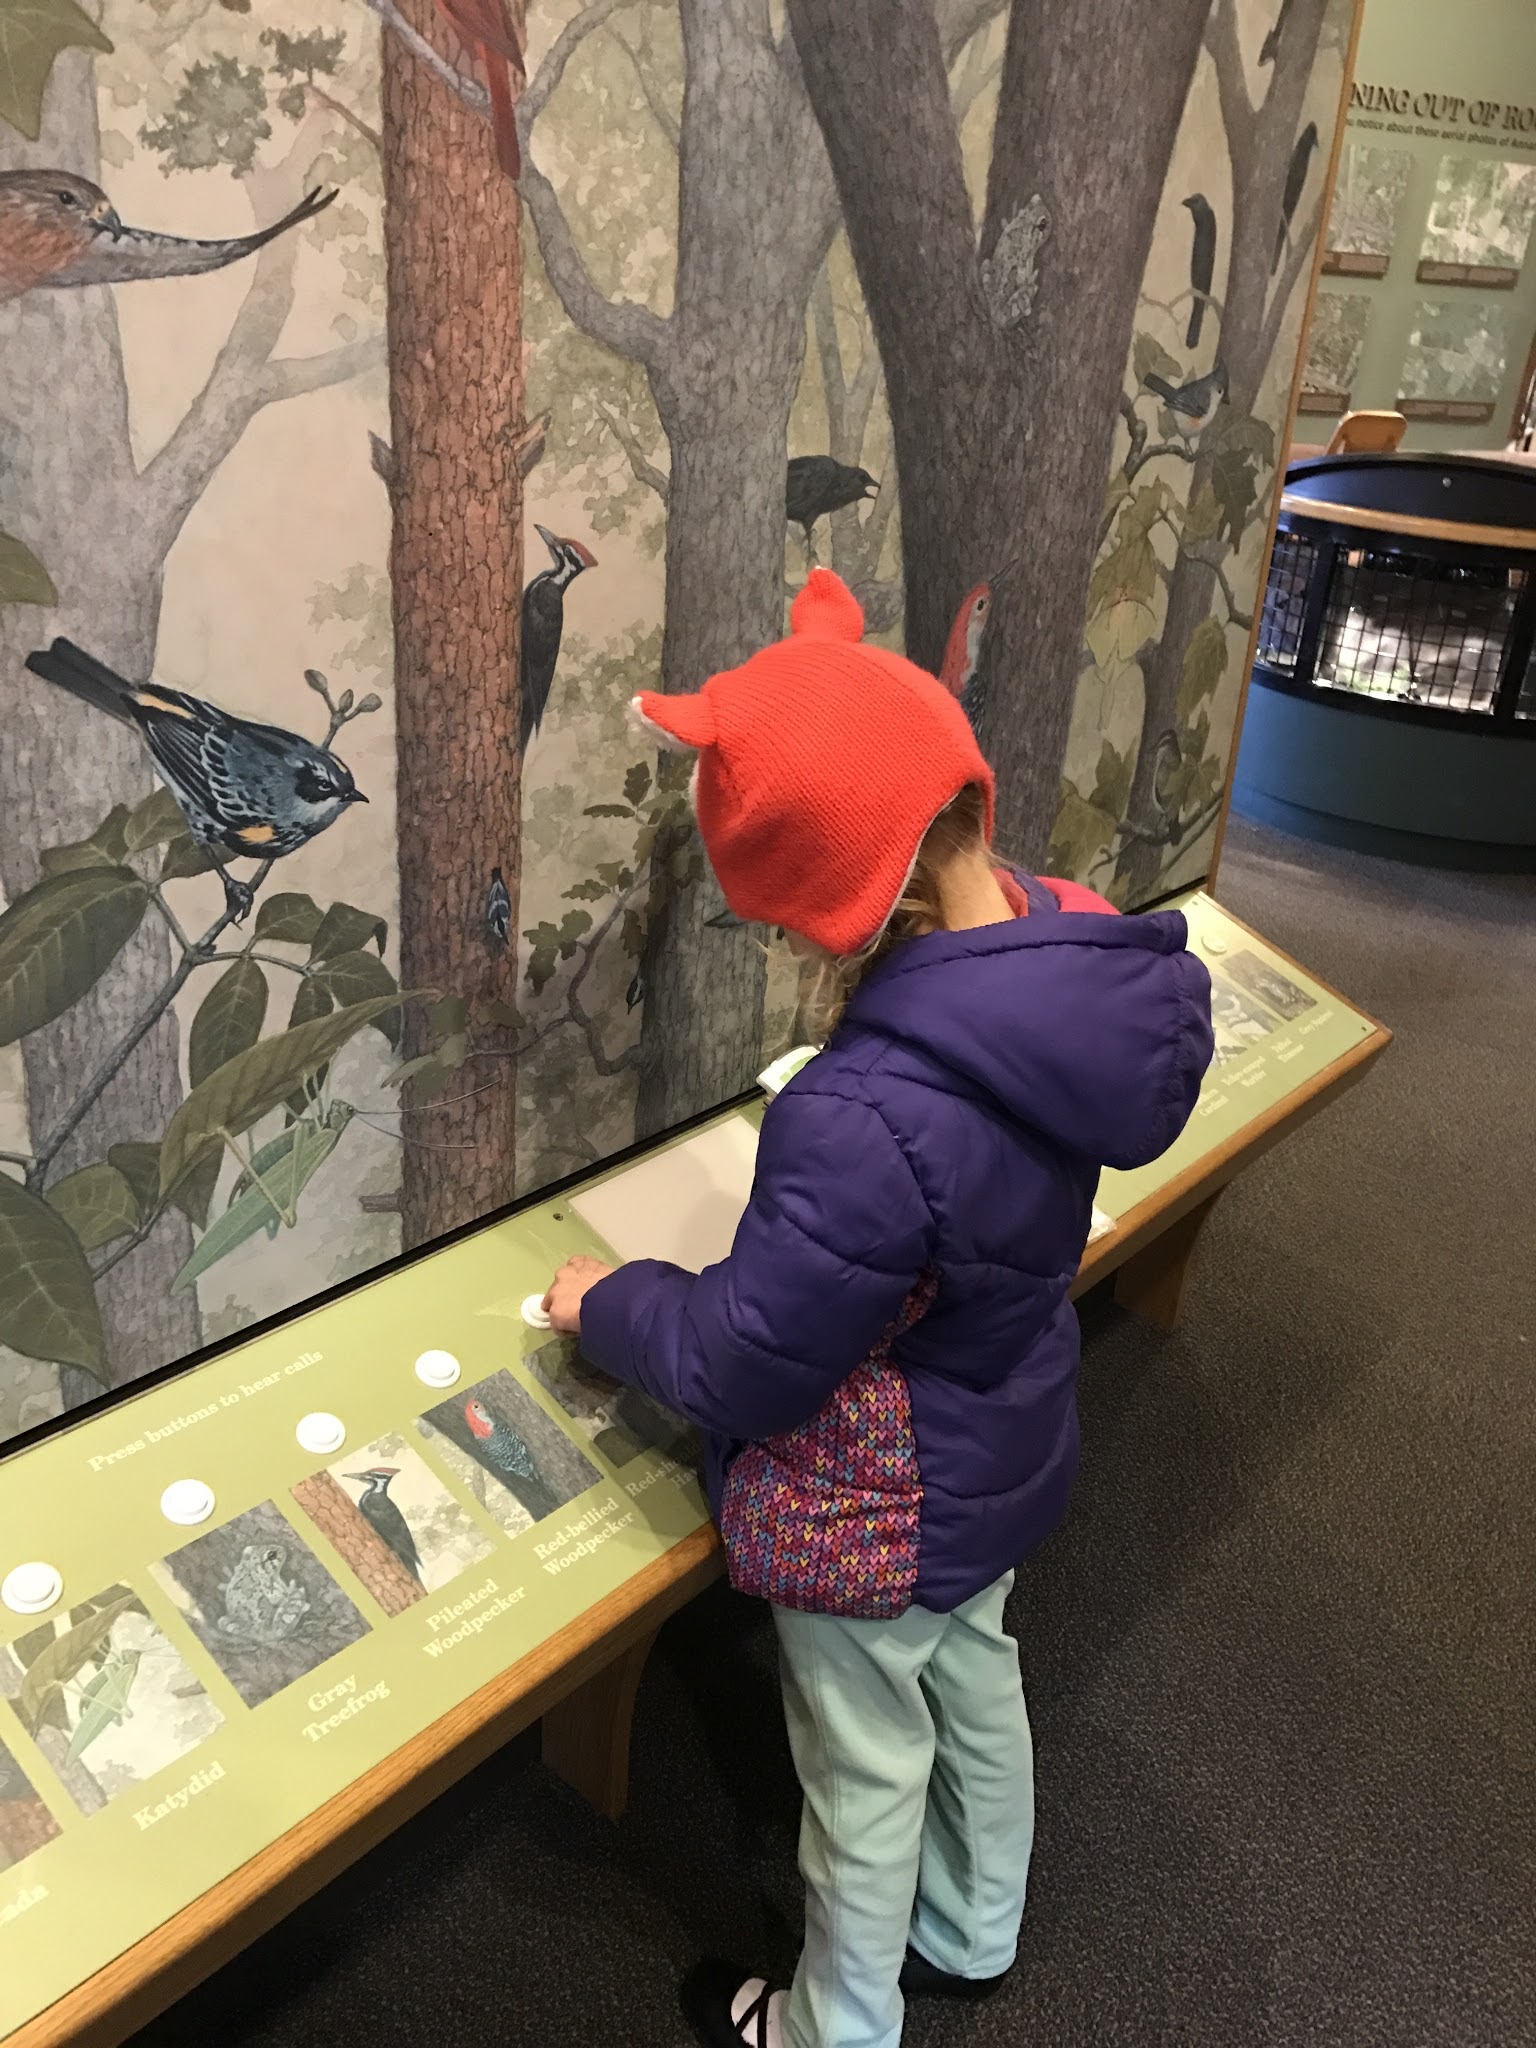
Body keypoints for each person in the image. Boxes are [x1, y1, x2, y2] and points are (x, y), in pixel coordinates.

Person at [542, 570, 1214, 2048]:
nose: (785, 949)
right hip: (1002, 1435)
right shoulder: (1061, 942)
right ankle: (975, 1926)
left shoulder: (860, 1115)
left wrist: (615, 1304)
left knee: (861, 1770)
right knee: (977, 1677)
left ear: (853, 903)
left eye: (785, 922)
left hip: (877, 1507)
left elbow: (747, 1358)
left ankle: (833, 2026)